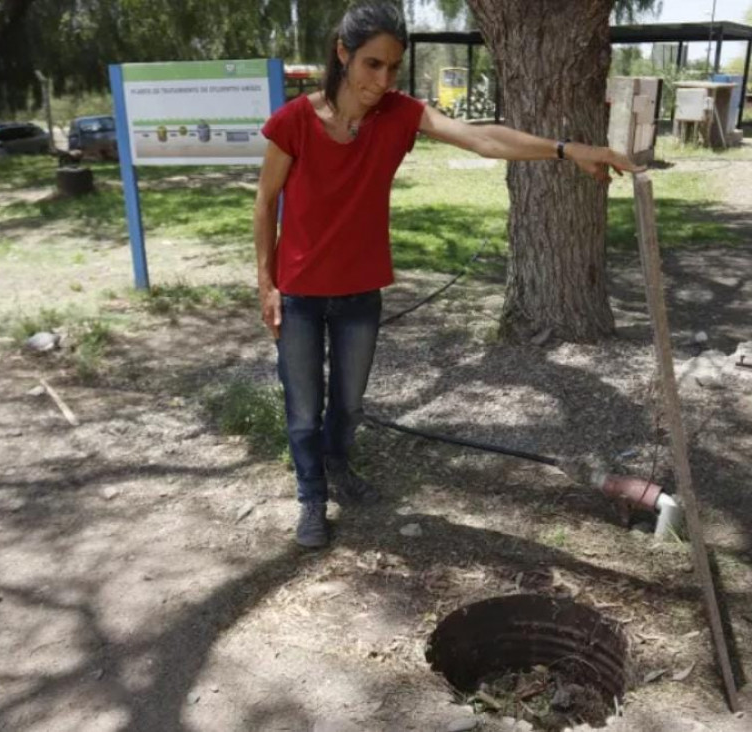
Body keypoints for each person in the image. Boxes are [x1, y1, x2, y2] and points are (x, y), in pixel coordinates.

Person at [254, 1, 641, 549]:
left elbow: (485, 138)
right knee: (301, 408)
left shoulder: (400, 115)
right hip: (299, 294)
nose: (383, 80)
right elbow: (266, 203)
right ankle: (312, 497)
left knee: (348, 405)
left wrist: (568, 149)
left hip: (360, 293)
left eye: (393, 67)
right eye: (372, 65)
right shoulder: (293, 122)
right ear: (343, 55)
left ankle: (337, 467)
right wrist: (267, 286)